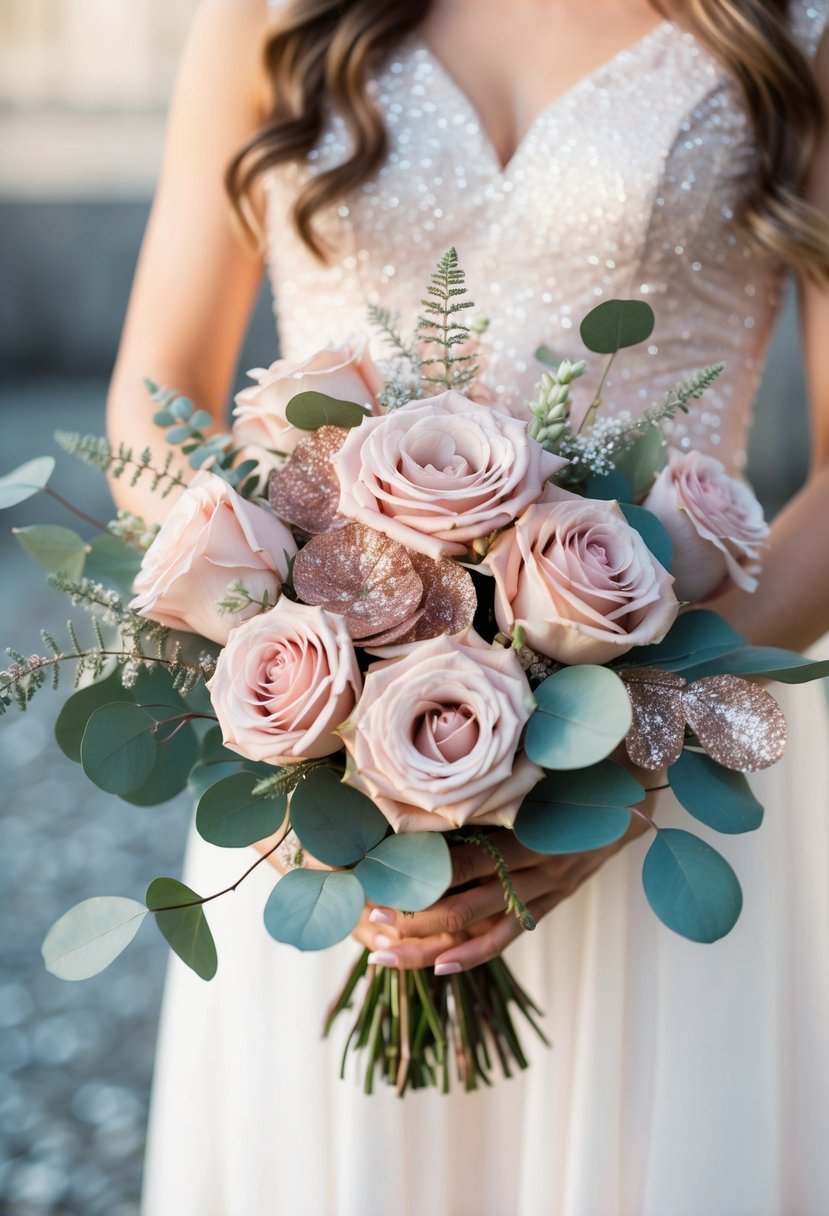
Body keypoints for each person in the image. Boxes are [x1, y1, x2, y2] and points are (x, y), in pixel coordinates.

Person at [106, 1, 829, 1212]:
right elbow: (155, 399)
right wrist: (295, 685)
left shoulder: (790, 27)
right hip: (327, 776)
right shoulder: (269, 13)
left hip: (672, 764)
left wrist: (635, 758)